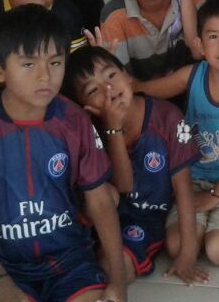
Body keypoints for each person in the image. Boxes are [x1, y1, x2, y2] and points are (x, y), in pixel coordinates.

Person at [0, 5, 128, 302]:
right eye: (28, 64)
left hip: (68, 261)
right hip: (2, 265)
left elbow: (100, 200)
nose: (44, 76)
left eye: (55, 62)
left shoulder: (74, 120)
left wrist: (118, 279)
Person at [134, 0, 219, 268]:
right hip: (193, 182)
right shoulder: (193, 75)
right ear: (199, 45)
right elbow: (147, 90)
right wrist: (121, 82)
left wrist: (216, 196)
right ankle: (213, 222)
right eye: (214, 37)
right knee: (178, 247)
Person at [61, 46, 207, 286]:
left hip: (143, 218)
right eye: (93, 90)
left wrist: (188, 254)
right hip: (100, 216)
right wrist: (113, 129)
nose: (108, 89)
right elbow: (120, 186)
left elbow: (182, 190)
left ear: (127, 75)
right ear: (84, 106)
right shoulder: (89, 130)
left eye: (111, 75)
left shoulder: (167, 117)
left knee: (112, 269)